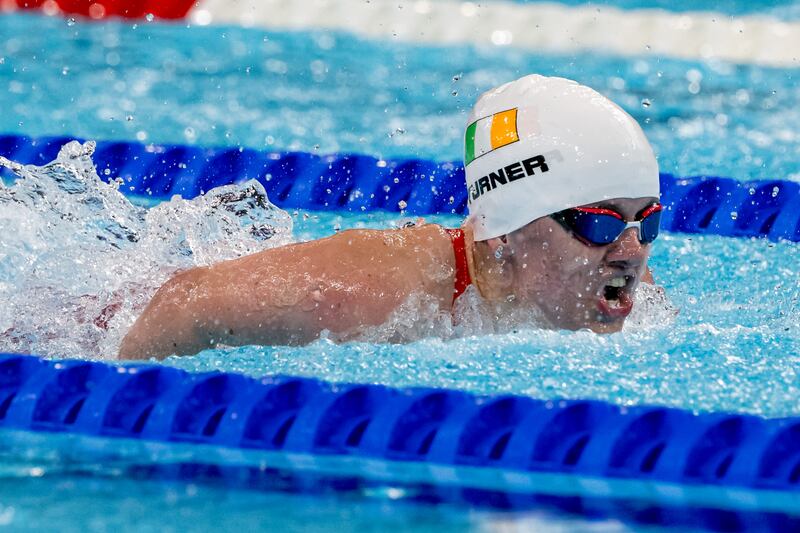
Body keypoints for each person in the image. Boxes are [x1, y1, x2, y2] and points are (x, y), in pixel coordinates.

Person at [118, 74, 661, 360]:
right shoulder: (375, 293)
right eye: (599, 223)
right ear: (503, 234)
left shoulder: (613, 286)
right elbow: (182, 303)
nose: (632, 250)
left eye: (647, 221)